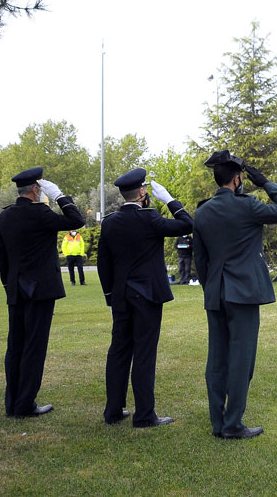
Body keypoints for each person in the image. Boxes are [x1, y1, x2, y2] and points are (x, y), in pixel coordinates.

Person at [193, 150, 277, 439]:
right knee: (241, 358)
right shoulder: (247, 206)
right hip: (244, 293)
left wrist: (210, 287)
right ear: (237, 179)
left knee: (217, 359)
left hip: (216, 293)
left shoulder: (202, 211)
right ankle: (233, 424)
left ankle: (217, 422)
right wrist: (266, 184)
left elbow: (200, 260)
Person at [98, 169, 193, 427]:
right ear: (142, 192)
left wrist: (110, 294)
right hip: (147, 295)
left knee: (118, 351)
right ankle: (144, 415)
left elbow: (103, 263)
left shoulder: (109, 222)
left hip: (120, 296)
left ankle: (113, 410)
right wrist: (170, 200)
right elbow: (187, 224)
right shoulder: (151, 218)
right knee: (144, 353)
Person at [0, 167, 85, 418]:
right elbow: (76, 220)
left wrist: (8, 283)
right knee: (34, 347)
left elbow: (1, 256)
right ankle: (25, 404)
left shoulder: (6, 216)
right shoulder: (40, 213)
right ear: (36, 190)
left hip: (16, 289)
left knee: (15, 346)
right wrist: (59, 196)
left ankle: (12, 402)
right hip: (40, 290)